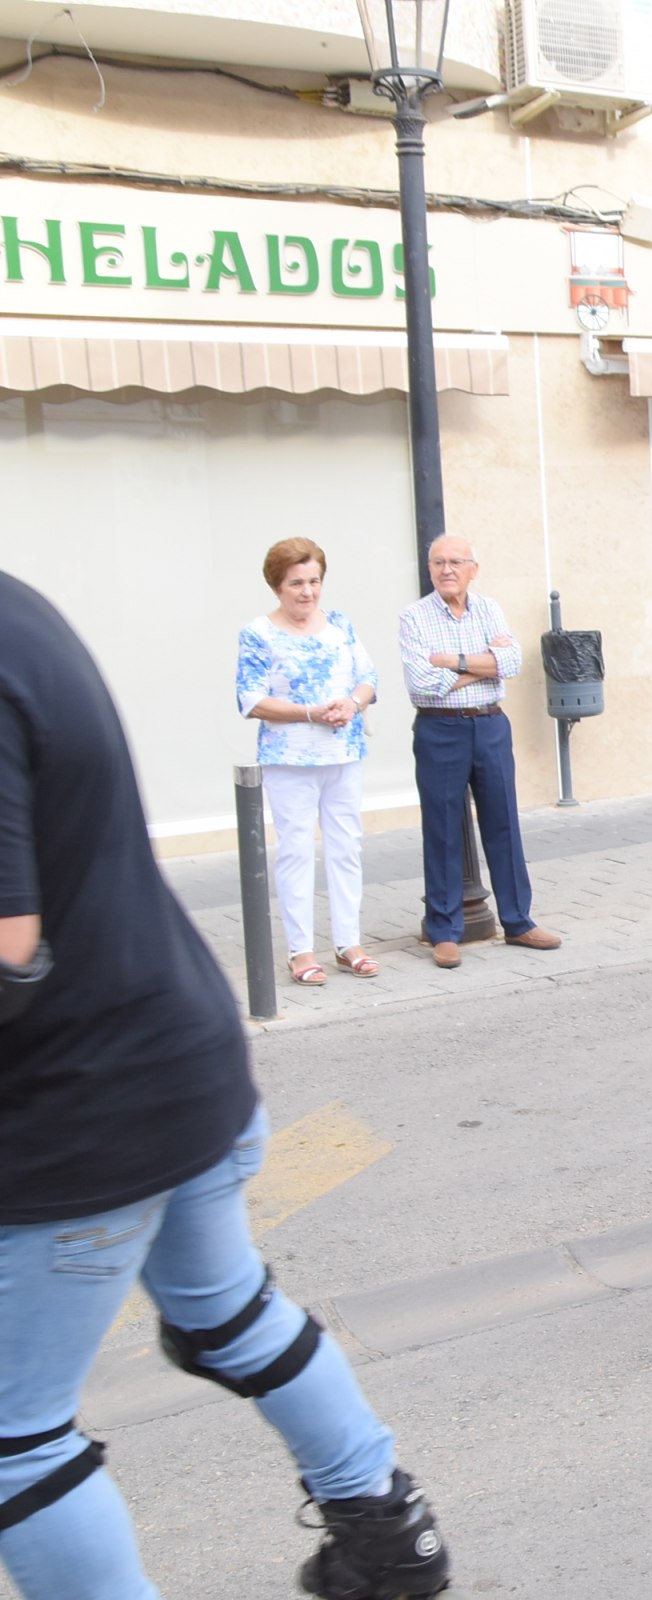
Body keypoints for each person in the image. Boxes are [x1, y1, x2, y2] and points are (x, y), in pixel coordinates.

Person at [0, 571, 450, 1600]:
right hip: (179, 1058)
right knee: (226, 1315)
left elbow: (6, 952)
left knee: (13, 1440)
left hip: (76, 1112)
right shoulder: (18, 605)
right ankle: (390, 1537)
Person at [396, 534, 560, 968]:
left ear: (473, 568)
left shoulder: (489, 609)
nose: (446, 570)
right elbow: (421, 684)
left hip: (489, 724)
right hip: (439, 729)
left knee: (503, 821)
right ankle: (444, 930)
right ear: (429, 569)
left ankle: (518, 921)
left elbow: (512, 664)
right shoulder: (413, 617)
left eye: (455, 561)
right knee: (443, 828)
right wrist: (483, 663)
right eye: (438, 563)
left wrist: (452, 661)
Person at [235, 538, 383, 987]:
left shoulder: (340, 624)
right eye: (296, 583)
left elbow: (368, 679)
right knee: (296, 851)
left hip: (344, 751)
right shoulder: (258, 633)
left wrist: (352, 705)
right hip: (289, 759)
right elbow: (251, 699)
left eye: (314, 581)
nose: (307, 592)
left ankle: (348, 942)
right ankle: (300, 951)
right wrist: (310, 713)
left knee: (346, 847)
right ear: (277, 586)